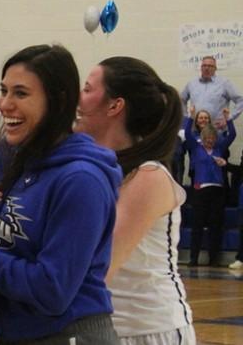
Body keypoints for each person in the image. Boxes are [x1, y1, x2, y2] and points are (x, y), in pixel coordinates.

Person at [0, 44, 122, 344]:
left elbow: (52, 290)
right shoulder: (27, 166)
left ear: (58, 101)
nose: (5, 104)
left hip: (68, 335)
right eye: (4, 90)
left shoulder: (81, 180)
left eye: (20, 93)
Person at [73, 56, 197, 343]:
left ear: (115, 105)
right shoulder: (91, 169)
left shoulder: (148, 175)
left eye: (88, 88)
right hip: (101, 329)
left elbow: (100, 268)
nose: (79, 98)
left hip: (147, 330)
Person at [182, 108, 234, 267]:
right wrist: (190, 118)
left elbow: (232, 135)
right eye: (207, 138)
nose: (210, 140)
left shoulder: (219, 148)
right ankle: (193, 258)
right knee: (197, 225)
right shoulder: (195, 147)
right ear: (202, 137)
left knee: (215, 225)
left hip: (217, 190)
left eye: (212, 138)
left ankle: (213, 259)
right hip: (200, 189)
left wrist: (229, 120)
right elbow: (188, 134)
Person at [181, 56, 243, 132]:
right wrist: (186, 117)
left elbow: (240, 101)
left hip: (217, 131)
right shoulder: (192, 83)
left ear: (215, 68)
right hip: (195, 131)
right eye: (204, 65)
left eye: (210, 66)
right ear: (201, 67)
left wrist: (229, 118)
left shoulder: (224, 83)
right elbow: (182, 100)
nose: (207, 68)